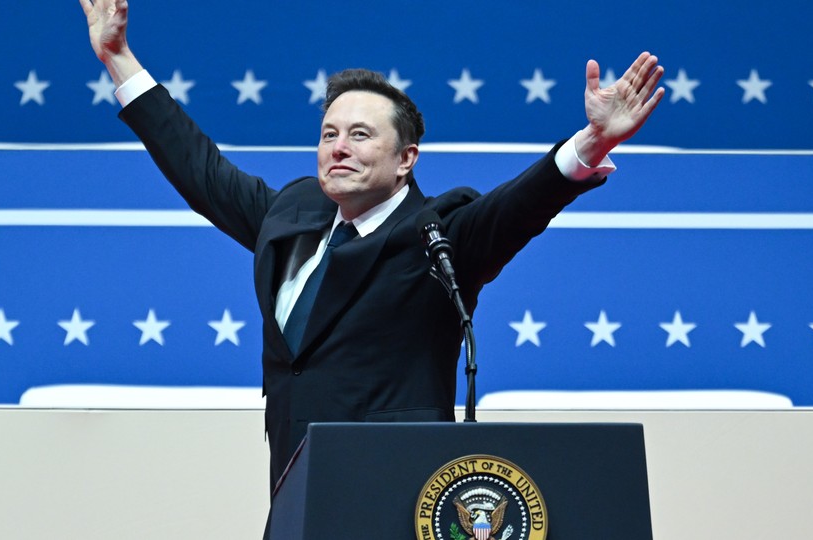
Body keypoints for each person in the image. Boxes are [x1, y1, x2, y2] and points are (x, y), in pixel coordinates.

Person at [79, 0, 664, 494]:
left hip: (397, 495)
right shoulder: (291, 217)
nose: (338, 148)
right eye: (328, 134)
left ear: (406, 159)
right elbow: (199, 168)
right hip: (296, 493)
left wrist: (592, 142)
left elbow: (517, 206)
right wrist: (118, 57)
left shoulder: (438, 236)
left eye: (360, 135)